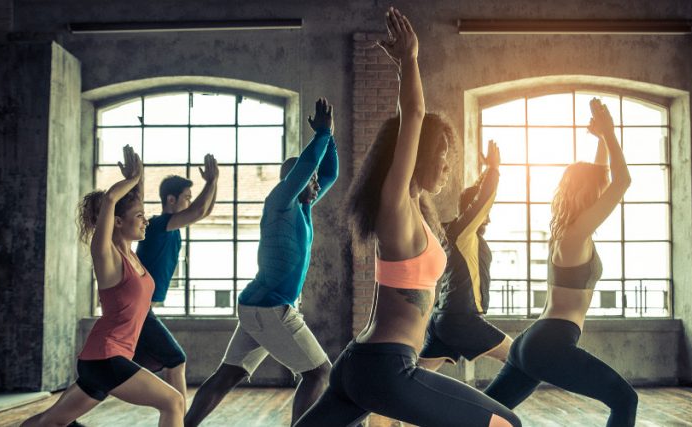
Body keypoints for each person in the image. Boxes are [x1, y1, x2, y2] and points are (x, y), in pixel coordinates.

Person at [294, 8, 519, 427]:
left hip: (358, 363)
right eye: (443, 157)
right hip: (387, 367)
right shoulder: (395, 205)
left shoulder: (417, 211)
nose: (448, 168)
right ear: (417, 155)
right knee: (508, 424)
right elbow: (413, 116)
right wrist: (409, 61)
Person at [483, 99, 638, 427]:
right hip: (550, 343)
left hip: (533, 343)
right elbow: (621, 182)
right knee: (625, 399)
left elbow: (602, 174)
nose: (604, 191)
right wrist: (609, 134)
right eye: (599, 188)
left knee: (483, 414)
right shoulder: (575, 235)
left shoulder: (569, 232)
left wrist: (599, 139)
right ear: (591, 194)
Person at [184, 98, 339, 426]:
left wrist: (331, 136)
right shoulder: (281, 201)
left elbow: (329, 173)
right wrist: (321, 134)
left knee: (227, 374)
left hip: (258, 307)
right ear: (295, 181)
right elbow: (311, 168)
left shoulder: (303, 207)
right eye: (309, 180)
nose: (317, 185)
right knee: (319, 373)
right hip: (272, 308)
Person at [22, 146, 184, 427]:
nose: (145, 221)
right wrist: (130, 183)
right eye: (139, 217)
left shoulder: (133, 254)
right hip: (105, 357)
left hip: (103, 358)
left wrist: (139, 177)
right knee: (173, 401)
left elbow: (131, 206)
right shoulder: (107, 255)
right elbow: (112, 200)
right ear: (117, 222)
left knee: (51, 422)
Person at [417, 140, 513, 371]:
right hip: (460, 319)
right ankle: (489, 406)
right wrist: (493, 170)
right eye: (485, 213)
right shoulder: (461, 233)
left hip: (444, 318)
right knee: (519, 356)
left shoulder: (463, 235)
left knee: (415, 376)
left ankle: (380, 407)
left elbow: (477, 198)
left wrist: (484, 174)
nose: (488, 216)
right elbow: (481, 199)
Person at [132, 153, 219, 406]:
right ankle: (178, 419)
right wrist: (211, 181)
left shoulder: (173, 228)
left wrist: (214, 183)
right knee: (176, 361)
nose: (190, 203)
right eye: (186, 198)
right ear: (171, 200)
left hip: (143, 309)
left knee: (115, 370)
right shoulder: (159, 225)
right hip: (139, 310)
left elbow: (203, 211)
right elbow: (200, 209)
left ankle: (64, 415)